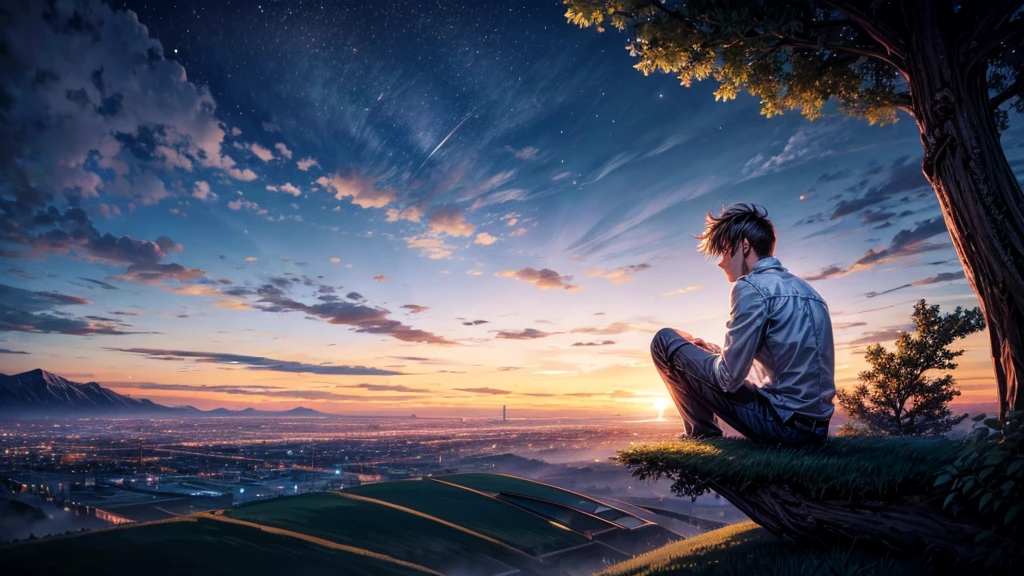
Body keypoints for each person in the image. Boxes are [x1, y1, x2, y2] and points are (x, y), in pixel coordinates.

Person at [650, 203, 835, 447]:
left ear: (744, 246)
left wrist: (687, 351)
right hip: (815, 428)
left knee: (664, 340)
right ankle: (701, 430)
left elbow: (728, 380)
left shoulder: (750, 287)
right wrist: (710, 352)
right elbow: (775, 368)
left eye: (725, 251)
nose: (721, 261)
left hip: (784, 428)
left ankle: (701, 436)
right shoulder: (808, 291)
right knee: (709, 352)